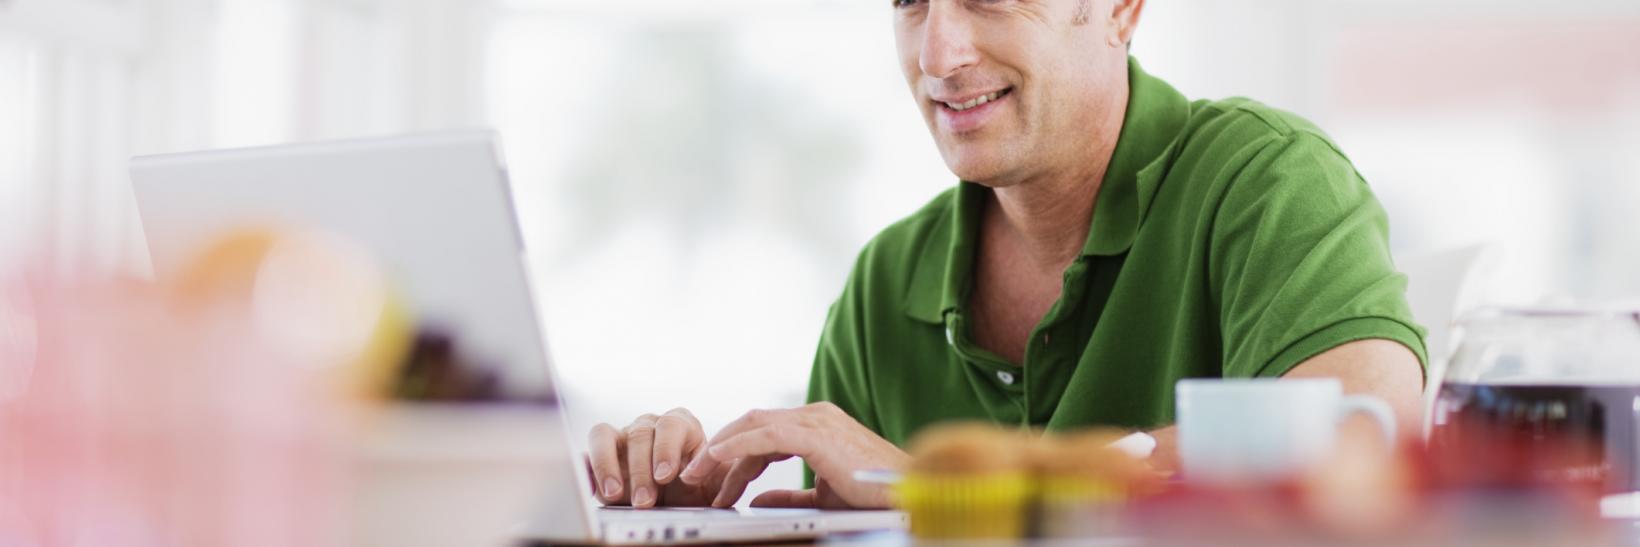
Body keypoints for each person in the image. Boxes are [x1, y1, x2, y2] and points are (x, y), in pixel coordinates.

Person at [586, 0, 1426, 510]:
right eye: (911, 1)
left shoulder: (1268, 181)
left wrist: (955, 488)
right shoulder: (885, 286)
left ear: (1122, 11)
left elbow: (1362, 436)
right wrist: (692, 496)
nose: (938, 55)